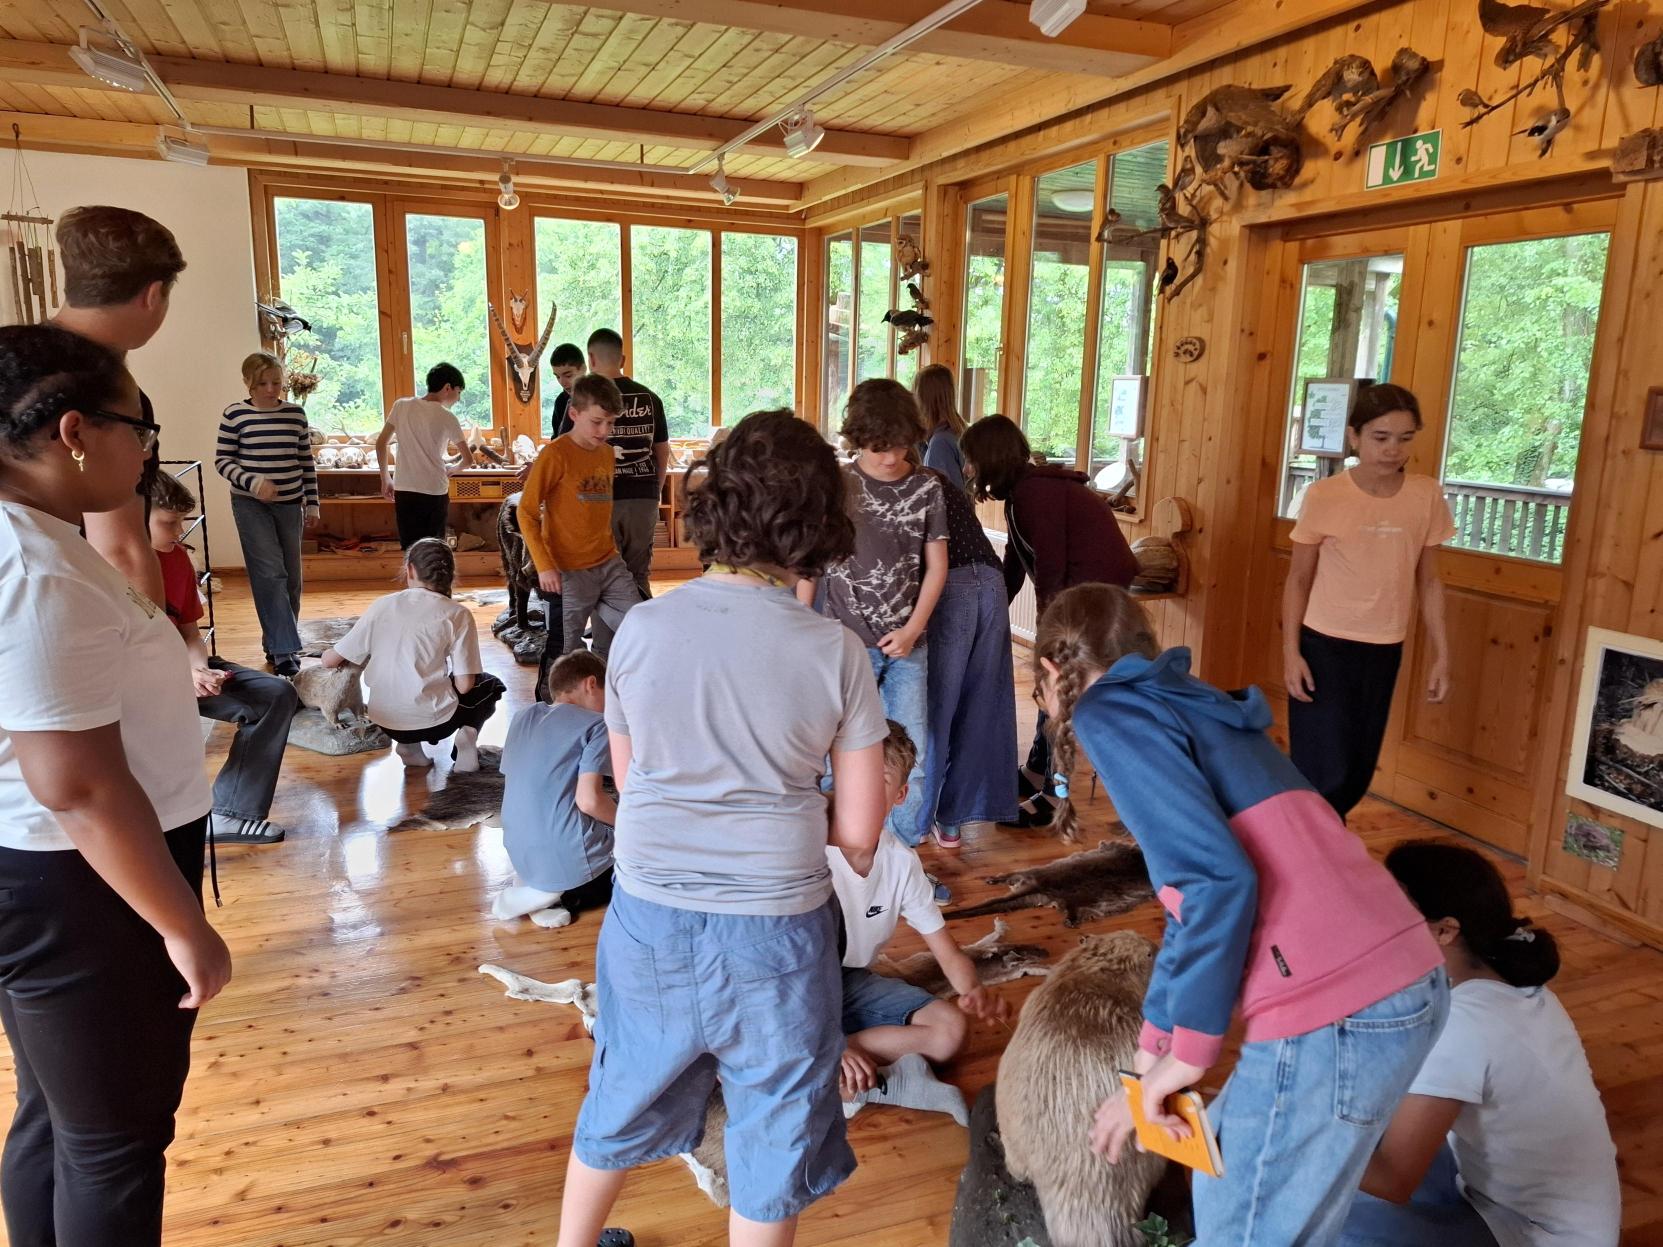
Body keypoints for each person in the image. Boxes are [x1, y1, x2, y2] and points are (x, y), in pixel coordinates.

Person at [554, 409, 888, 1247]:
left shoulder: (639, 629)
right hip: (776, 926)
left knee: (619, 1090)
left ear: (715, 505)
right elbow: (858, 833)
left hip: (647, 914)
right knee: (775, 1124)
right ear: (818, 520)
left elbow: (634, 783)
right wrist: (774, 801)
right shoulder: (836, 650)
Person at [1033, 584, 1447, 1245]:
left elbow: (1216, 882)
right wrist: (1149, 1057)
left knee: (1242, 1231)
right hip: (1401, 974)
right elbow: (1188, 907)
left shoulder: (1105, 708)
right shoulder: (1191, 701)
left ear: (1052, 669)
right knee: (1238, 1194)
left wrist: (1187, 1058)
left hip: (1335, 1002)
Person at [0, 323, 232, 1245]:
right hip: (83, 885)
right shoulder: (38, 569)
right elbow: (78, 784)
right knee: (113, 1144)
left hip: (58, 873)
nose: (145, 453)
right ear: (73, 433)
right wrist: (183, 925)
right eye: (139, 429)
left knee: (57, 1116)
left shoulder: (43, 542)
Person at [1341, 841, 1619, 1247]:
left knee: (1325, 1218)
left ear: (1445, 930)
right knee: (1364, 1137)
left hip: (1536, 1234)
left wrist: (1293, 1132)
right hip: (1502, 1196)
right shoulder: (1510, 982)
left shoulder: (1464, 1026)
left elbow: (1393, 1181)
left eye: (1390, 905)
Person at [1283, 383, 1453, 821]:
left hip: (1385, 646)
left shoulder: (1426, 495)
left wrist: (1442, 655)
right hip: (1324, 645)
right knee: (1323, 768)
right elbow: (1298, 579)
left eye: (1404, 438)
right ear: (1354, 436)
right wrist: (1291, 653)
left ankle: (1326, 843)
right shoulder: (1325, 495)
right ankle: (1309, 847)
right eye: (1380, 437)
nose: (1393, 449)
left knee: (1358, 767)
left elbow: (1430, 581)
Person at [959, 413, 1138, 829]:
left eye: (971, 459)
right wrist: (993, 610)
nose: (968, 469)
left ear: (989, 457)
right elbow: (1017, 560)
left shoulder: (1035, 494)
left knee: (1060, 689)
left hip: (1096, 595)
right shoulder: (1022, 493)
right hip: (1081, 590)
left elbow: (1052, 567)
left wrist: (1048, 633)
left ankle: (1053, 800)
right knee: (1051, 687)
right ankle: (1036, 773)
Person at [799, 379, 947, 848]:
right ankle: (835, 854)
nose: (891, 457)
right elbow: (811, 565)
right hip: (844, 643)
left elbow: (937, 567)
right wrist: (801, 629)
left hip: (909, 646)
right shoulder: (838, 485)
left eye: (901, 445)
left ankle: (900, 855)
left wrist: (913, 630)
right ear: (859, 439)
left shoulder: (927, 486)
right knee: (837, 751)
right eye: (880, 447)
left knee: (911, 754)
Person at [832, 721, 1008, 1105]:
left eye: (879, 779)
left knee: (951, 1031)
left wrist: (973, 991)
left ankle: (836, 1060)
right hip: (790, 988)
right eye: (854, 775)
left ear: (901, 794)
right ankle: (838, 1062)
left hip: (847, 982)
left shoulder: (901, 863)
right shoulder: (808, 850)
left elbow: (946, 951)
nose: (863, 789)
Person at [149, 470, 299, 845]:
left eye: (182, 521)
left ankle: (231, 812)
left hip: (183, 667)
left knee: (275, 694)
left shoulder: (177, 559)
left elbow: (190, 633)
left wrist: (198, 667)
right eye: (169, 523)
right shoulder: (105, 564)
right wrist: (180, 674)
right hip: (141, 681)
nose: (179, 531)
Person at [50, 204, 187, 606]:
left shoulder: (17, 363)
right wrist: (158, 638)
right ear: (154, 294)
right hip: (70, 605)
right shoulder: (102, 392)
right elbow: (119, 549)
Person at [321, 537, 505, 773]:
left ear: (409, 570)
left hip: (385, 720)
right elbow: (465, 685)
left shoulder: (381, 605)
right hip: (437, 724)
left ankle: (409, 748)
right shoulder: (458, 614)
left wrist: (327, 651)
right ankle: (466, 741)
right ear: (450, 574)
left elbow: (330, 661)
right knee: (490, 685)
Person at [916, 464, 1017, 848]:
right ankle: (953, 823)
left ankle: (918, 822)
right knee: (981, 706)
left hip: (949, 585)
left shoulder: (904, 487)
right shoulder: (938, 479)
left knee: (936, 710)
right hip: (990, 580)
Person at [493, 650, 617, 929]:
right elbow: (589, 801)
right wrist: (629, 825)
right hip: (570, 863)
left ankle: (537, 885)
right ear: (591, 684)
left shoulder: (523, 716)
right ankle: (555, 896)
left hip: (519, 853)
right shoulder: (597, 725)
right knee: (637, 860)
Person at [519, 373, 640, 660]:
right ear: (574, 414)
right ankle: (558, 691)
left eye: (610, 423)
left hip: (608, 563)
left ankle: (608, 676)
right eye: (597, 422)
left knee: (640, 625)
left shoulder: (607, 454)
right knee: (567, 651)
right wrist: (544, 566)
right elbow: (526, 512)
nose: (604, 430)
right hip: (567, 570)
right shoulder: (554, 455)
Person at [215, 351, 318, 678]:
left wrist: (313, 502)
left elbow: (305, 461)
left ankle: (276, 642)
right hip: (250, 505)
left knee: (291, 579)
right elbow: (222, 461)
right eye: (262, 384)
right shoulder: (235, 415)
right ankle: (286, 650)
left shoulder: (295, 415)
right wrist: (253, 481)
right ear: (248, 382)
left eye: (276, 382)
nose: (271, 389)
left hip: (290, 505)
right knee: (270, 574)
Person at [563, 328, 668, 609]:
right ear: (622, 359)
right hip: (643, 497)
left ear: (591, 359)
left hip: (599, 499)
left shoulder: (583, 401)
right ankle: (640, 630)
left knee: (603, 576)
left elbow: (566, 451)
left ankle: (608, 637)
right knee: (638, 573)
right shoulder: (650, 398)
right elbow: (662, 451)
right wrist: (655, 492)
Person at [374, 363, 469, 548]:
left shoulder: (401, 406)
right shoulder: (448, 417)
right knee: (433, 550)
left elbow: (381, 443)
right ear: (447, 388)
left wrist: (385, 478)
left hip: (404, 488)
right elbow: (468, 460)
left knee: (410, 550)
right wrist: (453, 469)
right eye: (458, 392)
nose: (458, 398)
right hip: (434, 490)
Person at [913, 363, 967, 490]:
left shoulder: (940, 443)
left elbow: (943, 495)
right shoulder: (956, 431)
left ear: (923, 398)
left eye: (915, 393)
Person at [547, 341, 585, 438]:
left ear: (583, 369)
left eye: (568, 375)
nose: (562, 382)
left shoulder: (599, 396)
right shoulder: (560, 402)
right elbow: (556, 440)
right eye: (557, 376)